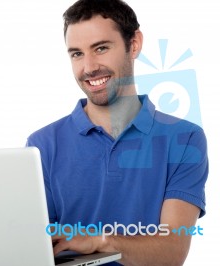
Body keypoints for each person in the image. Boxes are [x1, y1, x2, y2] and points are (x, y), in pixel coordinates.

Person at [26, 0, 209, 265]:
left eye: (101, 48)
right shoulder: (41, 146)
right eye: (76, 54)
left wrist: (101, 241)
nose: (88, 67)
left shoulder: (185, 139)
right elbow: (35, 248)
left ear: (133, 45)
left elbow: (172, 251)